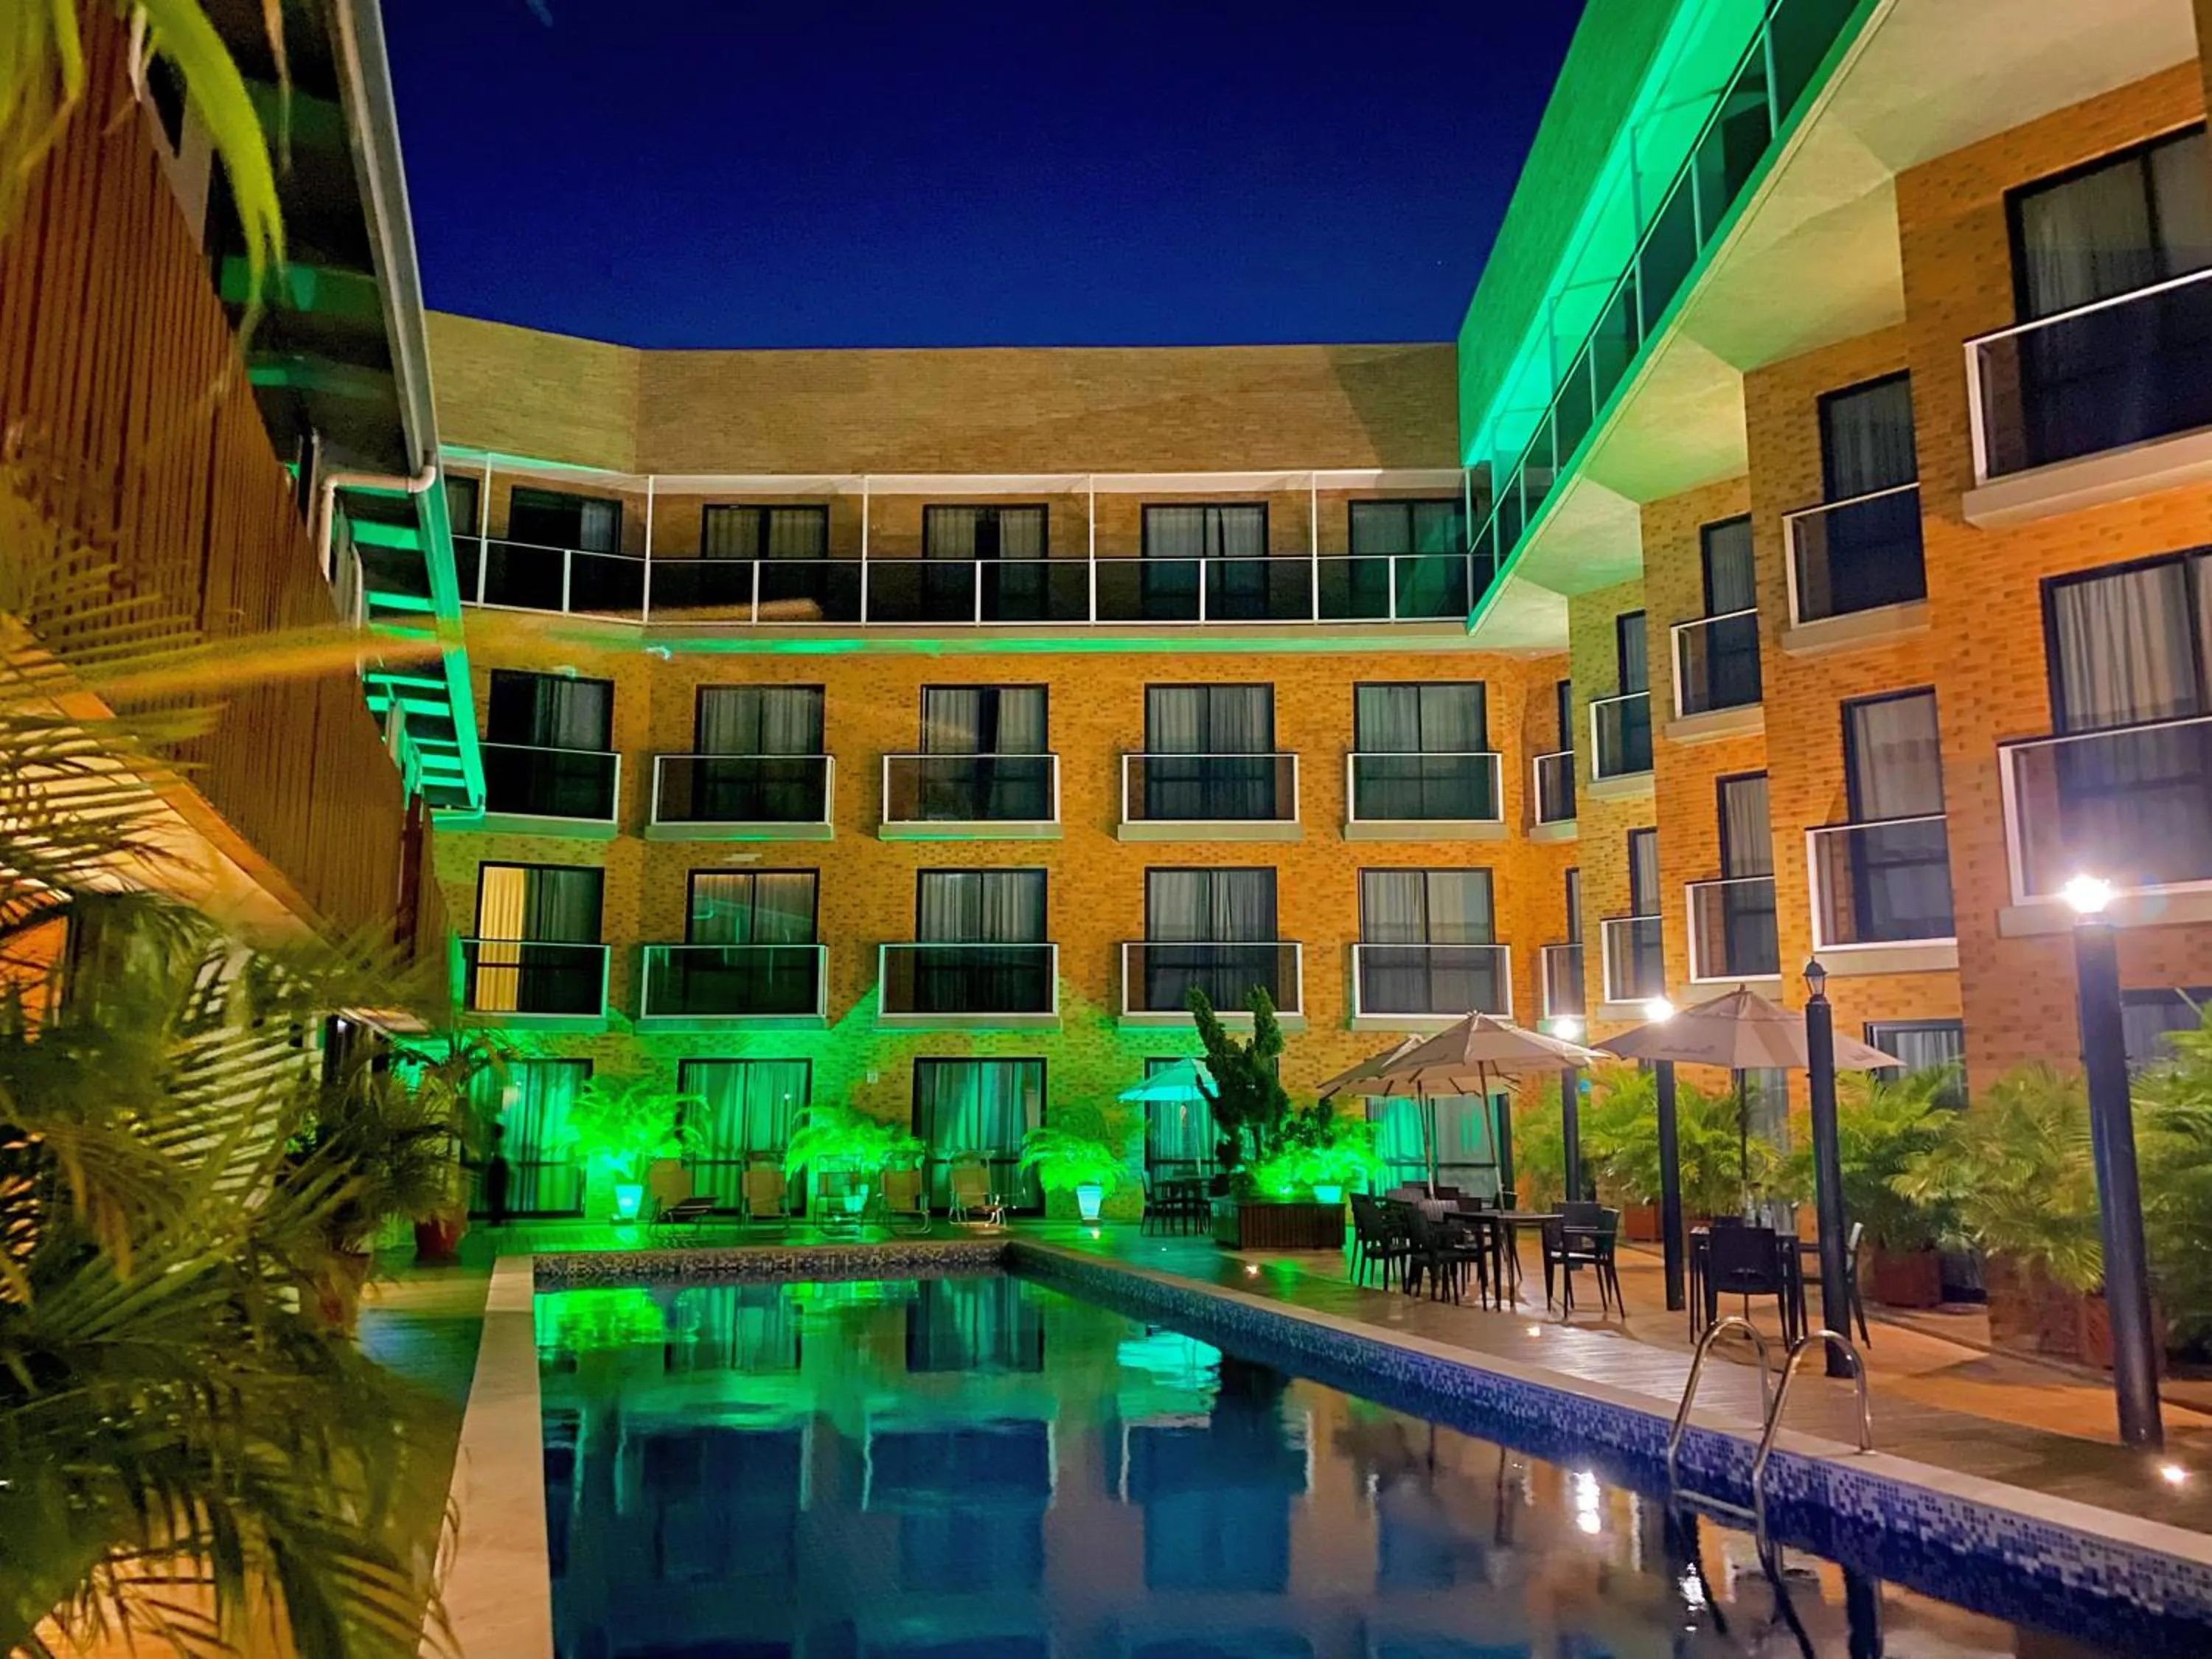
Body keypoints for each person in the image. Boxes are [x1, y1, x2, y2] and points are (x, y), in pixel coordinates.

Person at [484, 1121, 511, 1226]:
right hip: (501, 1168)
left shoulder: (496, 1144)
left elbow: (496, 1155)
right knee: (499, 1195)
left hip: (498, 1168)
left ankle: (497, 1218)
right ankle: (501, 1216)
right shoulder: (502, 1142)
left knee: (496, 1195)